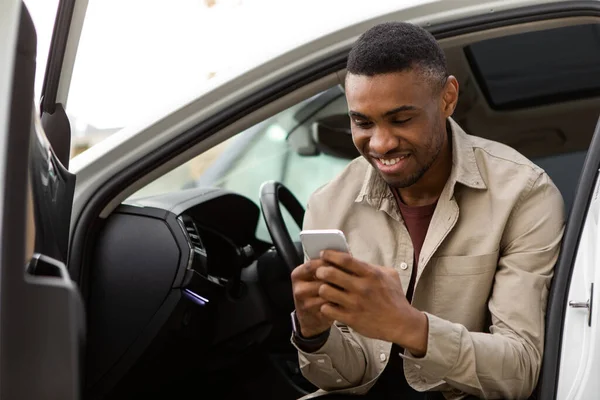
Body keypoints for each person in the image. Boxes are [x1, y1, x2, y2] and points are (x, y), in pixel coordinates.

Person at [289, 22, 565, 400]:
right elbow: (347, 378)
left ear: (448, 98)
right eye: (362, 122)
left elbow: (520, 371)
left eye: (401, 119)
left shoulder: (524, 194)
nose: (381, 144)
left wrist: (410, 328)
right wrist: (314, 331)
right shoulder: (328, 205)